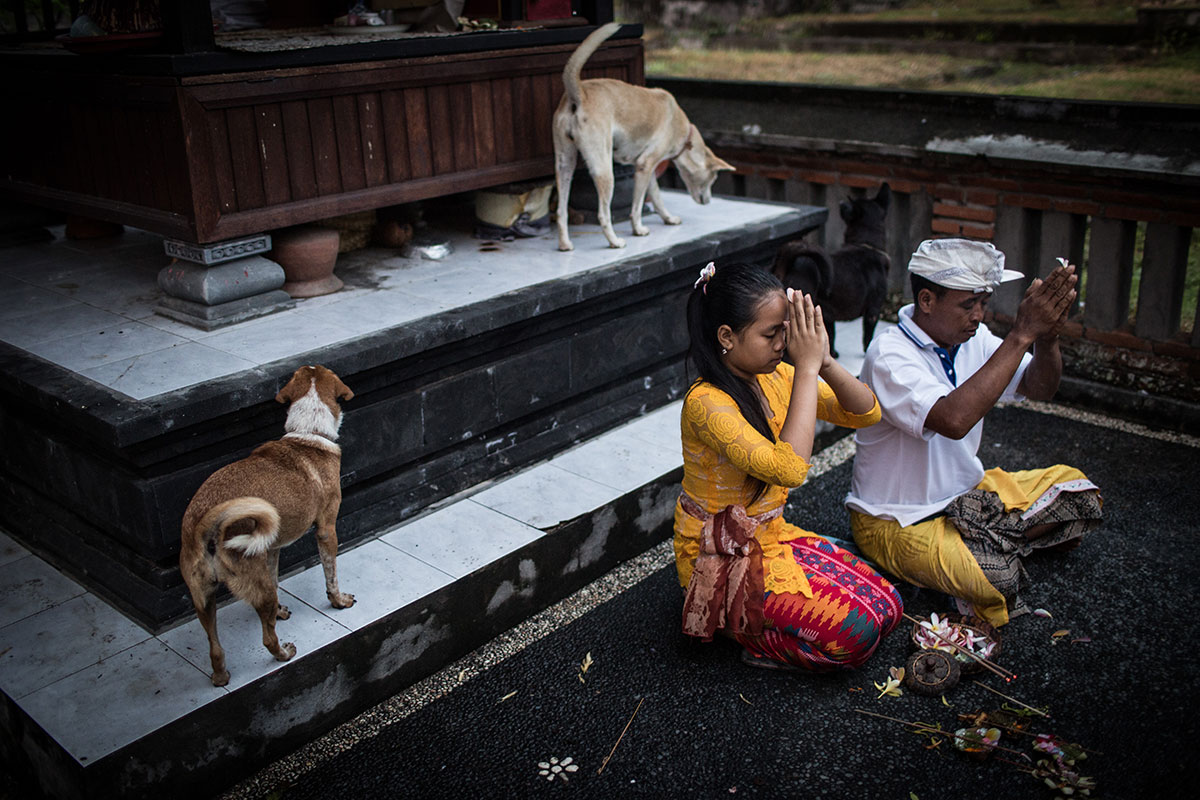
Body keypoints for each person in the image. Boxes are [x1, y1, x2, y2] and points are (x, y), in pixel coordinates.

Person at [846, 238, 1103, 628]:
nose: (979, 316)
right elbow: (953, 420)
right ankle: (993, 545)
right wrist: (1021, 334)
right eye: (969, 305)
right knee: (995, 579)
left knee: (1080, 491)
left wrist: (1046, 336)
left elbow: (1039, 388)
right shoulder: (889, 353)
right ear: (927, 301)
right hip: (896, 521)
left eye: (983, 303)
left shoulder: (973, 338)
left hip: (971, 495)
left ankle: (987, 540)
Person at [675, 260, 903, 671]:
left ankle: (754, 617)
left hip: (771, 536)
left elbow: (866, 412)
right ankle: (733, 623)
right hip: (721, 557)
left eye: (786, 330)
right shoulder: (705, 403)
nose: (784, 343)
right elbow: (791, 470)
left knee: (889, 603)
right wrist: (808, 369)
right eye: (771, 333)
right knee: (856, 637)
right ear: (726, 336)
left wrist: (826, 360)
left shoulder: (775, 376)